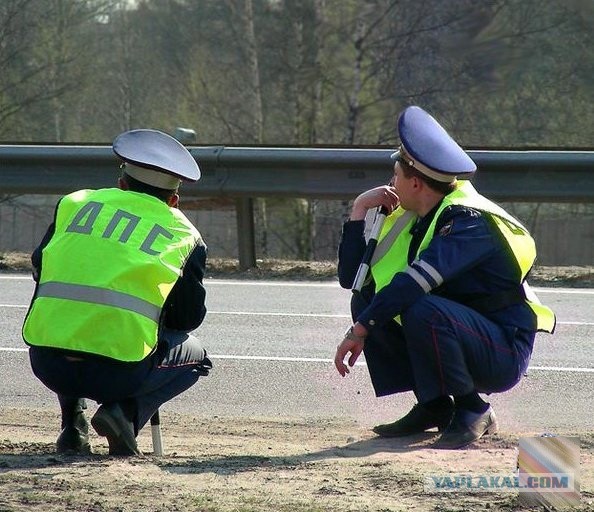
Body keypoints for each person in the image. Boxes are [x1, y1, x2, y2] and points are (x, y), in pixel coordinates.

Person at [334, 106, 555, 449]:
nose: (391, 184)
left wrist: (360, 330)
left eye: (395, 176)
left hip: (501, 348)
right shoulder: (417, 214)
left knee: (420, 308)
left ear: (416, 182)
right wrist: (360, 209)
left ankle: (474, 409)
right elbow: (355, 281)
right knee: (368, 302)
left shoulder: (468, 222)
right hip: (466, 330)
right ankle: (434, 405)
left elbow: (414, 283)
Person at [22, 129, 212, 456]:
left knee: (72, 319)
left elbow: (40, 267)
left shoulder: (74, 204)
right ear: (173, 200)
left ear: (121, 183)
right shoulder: (185, 235)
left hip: (46, 362)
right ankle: (124, 415)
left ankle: (73, 427)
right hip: (119, 373)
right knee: (197, 358)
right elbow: (186, 319)